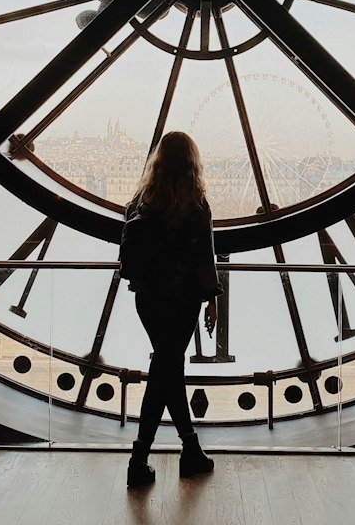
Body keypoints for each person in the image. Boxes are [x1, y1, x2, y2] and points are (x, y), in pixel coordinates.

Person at [122, 131, 222, 489]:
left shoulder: (141, 201)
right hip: (183, 300)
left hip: (148, 298)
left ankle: (154, 454)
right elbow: (204, 258)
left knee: (165, 369)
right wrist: (212, 299)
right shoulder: (195, 203)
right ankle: (156, 455)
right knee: (167, 370)